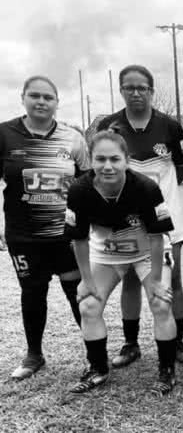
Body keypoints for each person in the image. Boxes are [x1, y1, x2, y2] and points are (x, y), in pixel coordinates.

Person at [65, 130, 178, 394]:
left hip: (147, 252)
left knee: (161, 303)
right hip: (106, 254)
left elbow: (157, 236)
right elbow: (79, 241)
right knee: (89, 305)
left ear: (126, 159)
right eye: (100, 159)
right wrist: (86, 281)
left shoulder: (146, 187)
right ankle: (98, 368)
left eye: (115, 159)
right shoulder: (79, 190)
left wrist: (156, 281)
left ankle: (166, 371)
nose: (107, 166)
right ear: (90, 160)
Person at [97, 65, 183, 367]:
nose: (136, 92)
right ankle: (130, 343)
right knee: (130, 279)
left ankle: (176, 340)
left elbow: (181, 169)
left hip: (166, 214)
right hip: (125, 220)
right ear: (121, 90)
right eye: (129, 87)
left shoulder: (171, 127)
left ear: (151, 90)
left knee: (173, 279)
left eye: (142, 87)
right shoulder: (110, 125)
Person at [0, 76, 89, 380]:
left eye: (48, 97)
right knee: (33, 291)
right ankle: (34, 355)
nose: (41, 102)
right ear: (23, 97)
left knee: (77, 291)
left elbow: (87, 181)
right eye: (34, 96)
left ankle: (94, 352)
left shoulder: (73, 138)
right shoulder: (4, 134)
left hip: (65, 233)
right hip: (23, 234)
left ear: (56, 102)